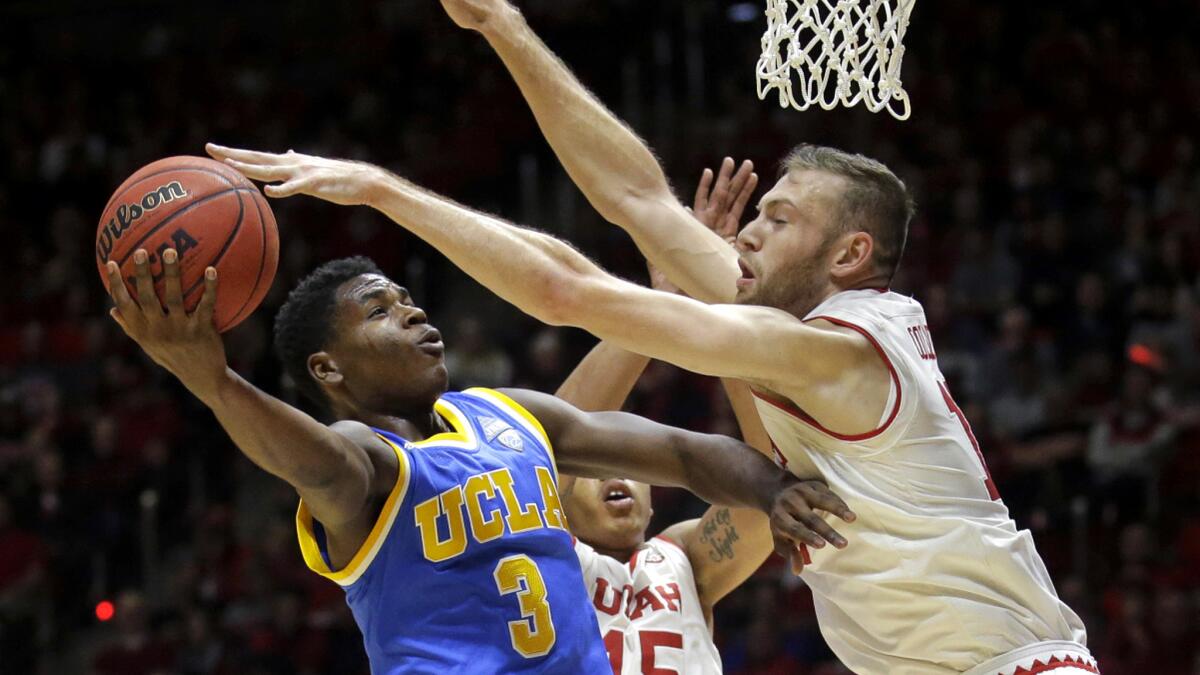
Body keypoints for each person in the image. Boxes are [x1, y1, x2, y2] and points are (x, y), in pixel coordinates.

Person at [203, 0, 1094, 664]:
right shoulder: (790, 312)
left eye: (777, 221)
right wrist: (504, 27)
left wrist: (382, 191)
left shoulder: (831, 348)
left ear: (849, 253)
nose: (744, 234)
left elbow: (566, 288)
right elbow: (636, 199)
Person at [102, 249, 849, 673]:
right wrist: (215, 382)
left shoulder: (512, 412)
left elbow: (683, 451)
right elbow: (317, 463)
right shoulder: (371, 462)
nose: (414, 312)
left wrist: (774, 485)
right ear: (330, 370)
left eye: (406, 297)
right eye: (380, 310)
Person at [550, 178, 781, 674]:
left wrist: (716, 299)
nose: (616, 475)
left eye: (631, 462)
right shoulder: (541, 550)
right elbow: (537, 445)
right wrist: (656, 311)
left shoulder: (685, 557)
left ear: (657, 496)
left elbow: (770, 475)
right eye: (592, 466)